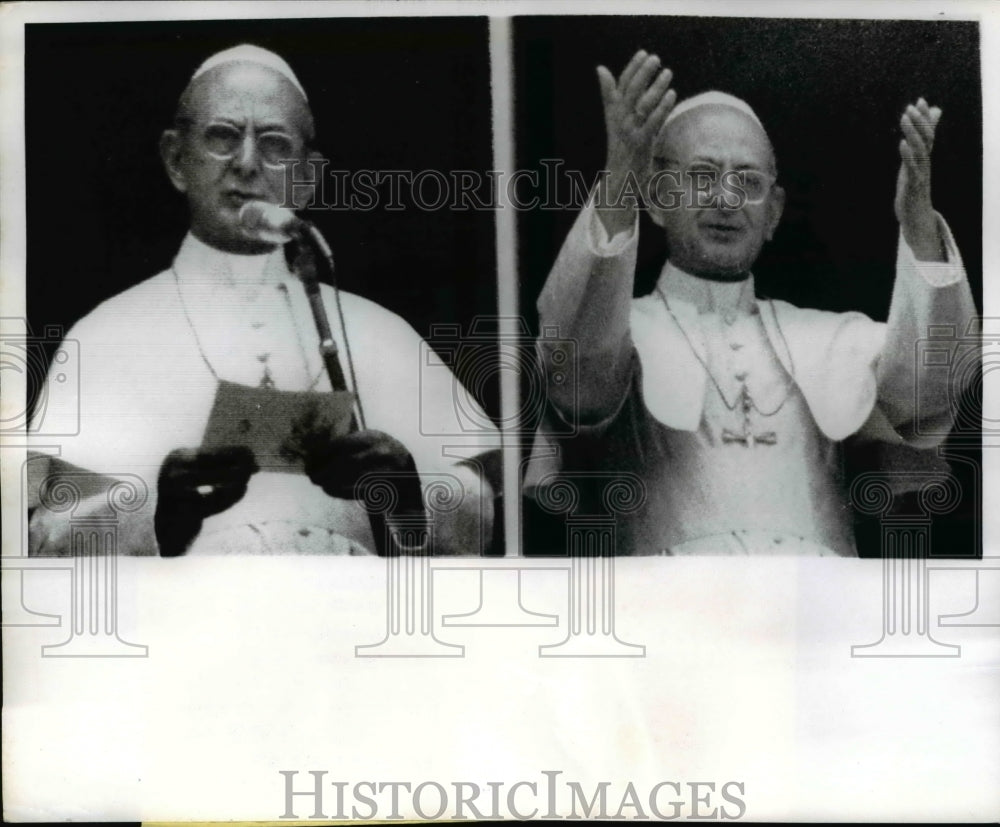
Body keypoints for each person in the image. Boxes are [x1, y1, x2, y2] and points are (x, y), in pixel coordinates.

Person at [28, 44, 500, 556]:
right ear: (176, 159)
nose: (247, 163)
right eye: (222, 137)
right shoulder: (107, 334)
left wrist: (408, 493)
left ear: (308, 177)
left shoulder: (380, 332)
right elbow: (51, 540)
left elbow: (478, 516)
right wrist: (156, 516)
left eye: (274, 145)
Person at [529, 49, 978, 556]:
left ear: (774, 214)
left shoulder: (833, 338)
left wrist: (919, 229)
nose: (726, 199)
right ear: (655, 199)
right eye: (702, 175)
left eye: (748, 181)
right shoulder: (619, 331)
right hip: (671, 599)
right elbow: (576, 372)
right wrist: (617, 183)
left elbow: (929, 390)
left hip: (822, 596)